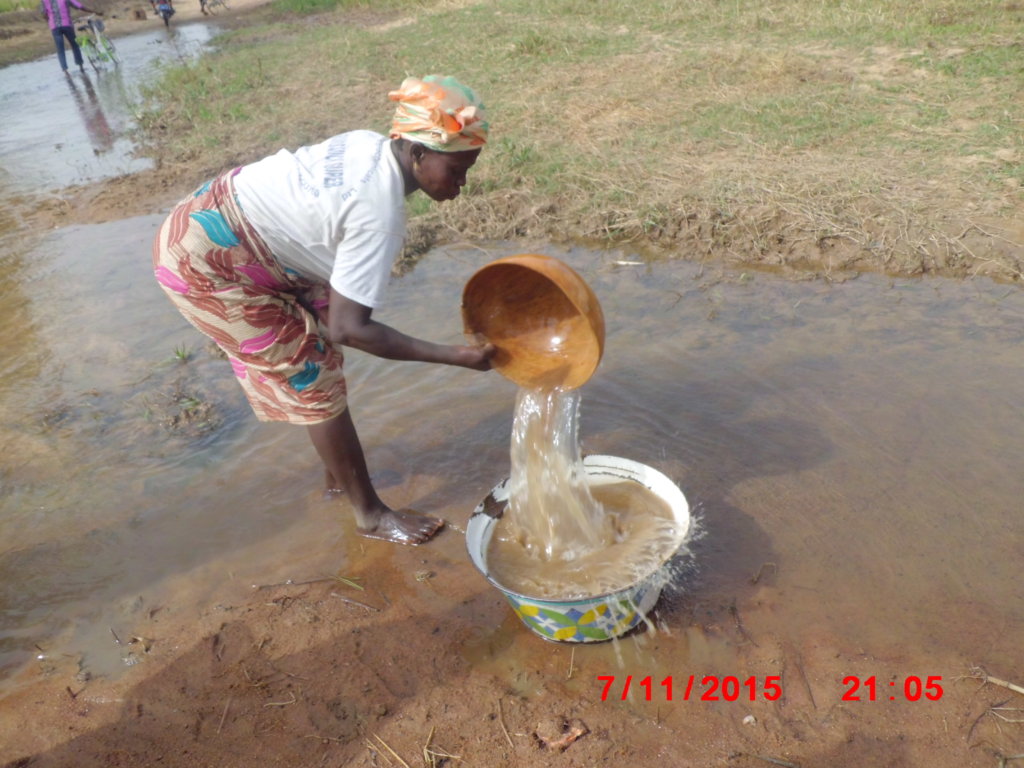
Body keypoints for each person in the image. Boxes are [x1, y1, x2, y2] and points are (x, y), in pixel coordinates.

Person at [152, 75, 495, 546]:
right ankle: (369, 514)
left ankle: (339, 477)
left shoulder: (370, 145)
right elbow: (351, 329)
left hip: (213, 217)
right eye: (456, 169)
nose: (462, 183)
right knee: (311, 374)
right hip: (206, 260)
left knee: (322, 348)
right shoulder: (379, 215)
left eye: (467, 170)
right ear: (416, 153)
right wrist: (458, 356)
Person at [40, 0, 102, 74]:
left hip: (54, 27)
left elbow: (44, 14)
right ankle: (81, 66)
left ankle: (65, 71)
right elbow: (79, 6)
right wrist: (95, 11)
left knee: (60, 49)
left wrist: (50, 21)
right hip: (67, 25)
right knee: (75, 45)